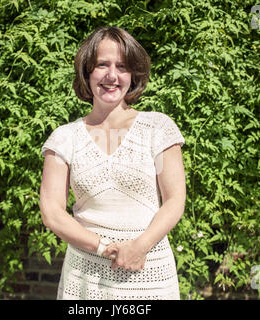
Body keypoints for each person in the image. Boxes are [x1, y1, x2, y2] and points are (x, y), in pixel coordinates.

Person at [39, 26, 186, 300]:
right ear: (87, 72)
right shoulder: (64, 138)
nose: (111, 75)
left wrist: (139, 247)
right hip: (84, 276)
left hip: (149, 272)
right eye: (102, 65)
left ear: (133, 75)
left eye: (122, 66)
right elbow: (52, 212)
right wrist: (103, 247)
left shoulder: (158, 128)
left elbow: (175, 199)